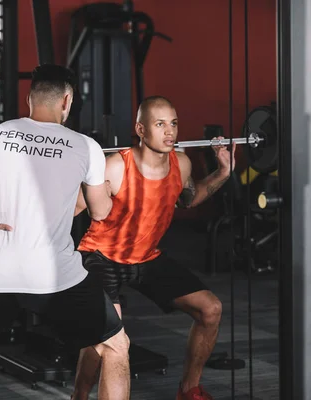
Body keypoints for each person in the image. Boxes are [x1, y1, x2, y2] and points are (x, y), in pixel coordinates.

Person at [0, 64, 130, 400]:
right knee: (116, 346)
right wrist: (102, 184)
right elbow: (100, 211)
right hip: (53, 276)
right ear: (67, 101)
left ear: (29, 98)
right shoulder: (85, 146)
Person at [72, 95, 235, 400]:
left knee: (210, 309)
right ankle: (79, 396)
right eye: (160, 124)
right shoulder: (115, 166)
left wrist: (223, 172)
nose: (169, 131)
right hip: (101, 256)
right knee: (108, 336)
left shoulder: (181, 163)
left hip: (146, 257)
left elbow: (189, 199)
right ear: (141, 129)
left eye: (173, 123)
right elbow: (73, 210)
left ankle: (189, 390)